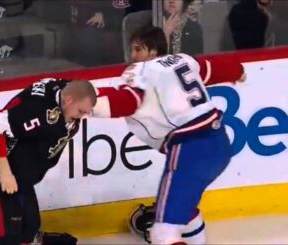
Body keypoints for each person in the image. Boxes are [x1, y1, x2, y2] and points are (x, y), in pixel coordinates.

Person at [92, 26, 245, 244]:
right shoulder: (183, 60)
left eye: (137, 49)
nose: (132, 55)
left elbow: (126, 101)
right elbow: (214, 68)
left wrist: (88, 104)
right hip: (219, 142)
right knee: (185, 212)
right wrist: (238, 70)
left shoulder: (142, 71)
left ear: (152, 51)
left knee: (163, 234)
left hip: (190, 148)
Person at [0, 79, 96, 245]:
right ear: (68, 100)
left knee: (29, 227)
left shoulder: (68, 93)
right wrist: (5, 173)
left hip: (19, 173)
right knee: (9, 234)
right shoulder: (37, 110)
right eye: (80, 111)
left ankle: (35, 240)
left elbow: (84, 90)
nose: (82, 117)